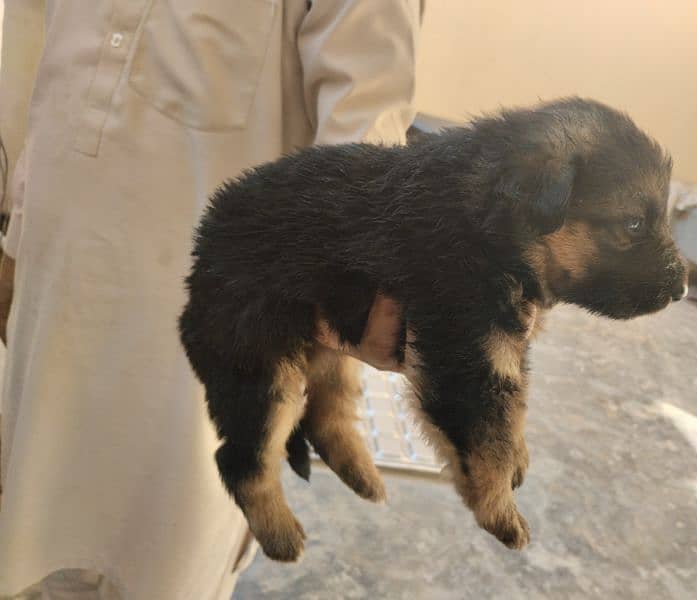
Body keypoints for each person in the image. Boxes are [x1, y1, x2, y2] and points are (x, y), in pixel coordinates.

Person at [0, 1, 419, 598]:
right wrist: (13, 227)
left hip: (214, 294)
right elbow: (34, 33)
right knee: (36, 516)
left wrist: (355, 280)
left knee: (167, 543)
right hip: (61, 255)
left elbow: (366, 88)